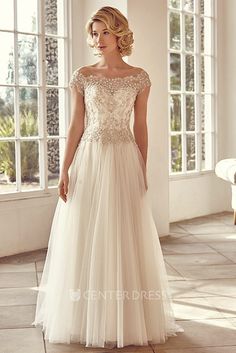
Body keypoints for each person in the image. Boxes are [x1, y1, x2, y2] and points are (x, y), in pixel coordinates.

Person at [32, 5, 184, 349]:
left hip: (124, 158)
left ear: (119, 34)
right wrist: (66, 168)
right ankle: (83, 313)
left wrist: (141, 168)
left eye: (104, 32)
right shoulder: (83, 75)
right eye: (94, 33)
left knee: (122, 232)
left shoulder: (140, 77)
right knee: (87, 230)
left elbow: (140, 125)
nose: (98, 39)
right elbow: (76, 125)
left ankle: (127, 316)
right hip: (90, 157)